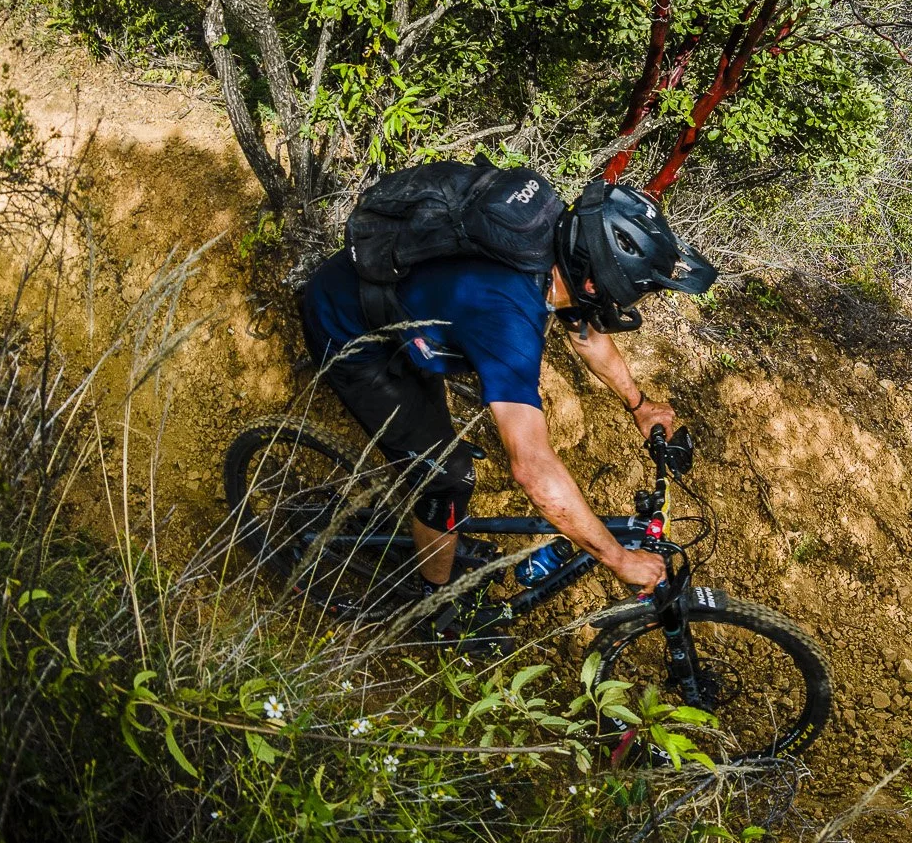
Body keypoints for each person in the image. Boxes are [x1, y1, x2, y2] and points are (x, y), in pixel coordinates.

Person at [295, 181, 718, 636]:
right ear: (595, 280)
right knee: (447, 475)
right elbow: (532, 469)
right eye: (630, 292)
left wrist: (639, 405)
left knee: (436, 457)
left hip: (400, 318)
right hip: (352, 336)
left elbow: (587, 336)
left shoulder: (553, 251)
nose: (627, 304)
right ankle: (434, 609)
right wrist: (617, 557)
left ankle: (434, 533)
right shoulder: (508, 317)